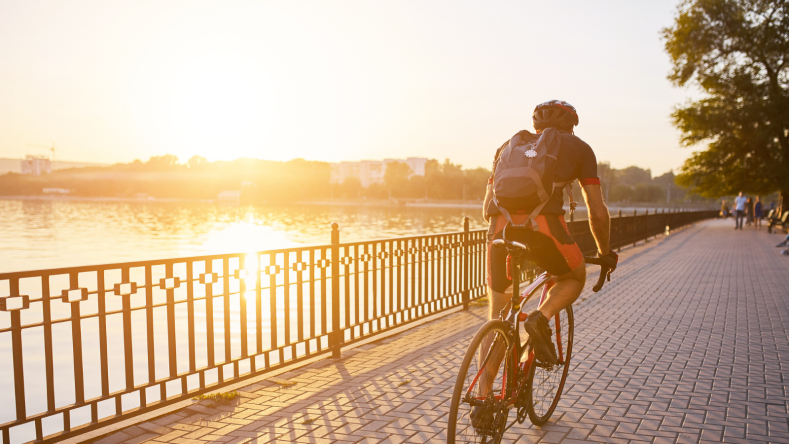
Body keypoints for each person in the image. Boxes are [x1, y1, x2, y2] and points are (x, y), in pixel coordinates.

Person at [482, 100, 617, 370]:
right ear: (572, 126)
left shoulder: (507, 147)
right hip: (544, 232)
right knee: (573, 277)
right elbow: (597, 212)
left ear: (535, 123)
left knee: (497, 314)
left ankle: (482, 400)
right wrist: (604, 253)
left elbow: (487, 204)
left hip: (500, 232)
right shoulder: (580, 148)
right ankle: (540, 318)